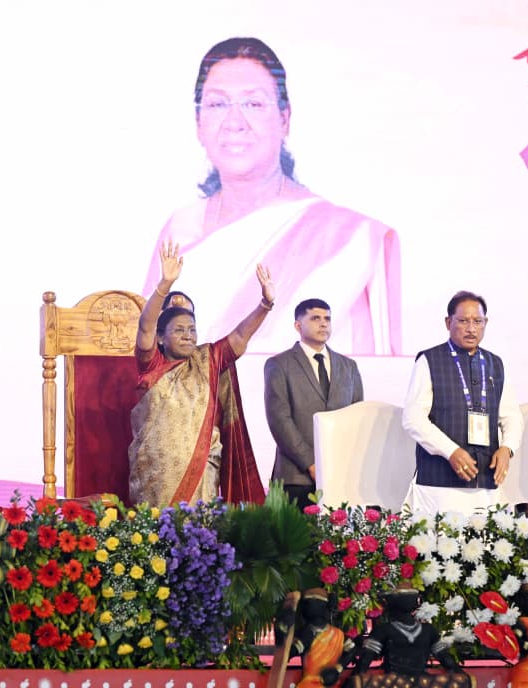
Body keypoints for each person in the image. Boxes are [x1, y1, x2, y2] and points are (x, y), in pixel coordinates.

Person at [144, 37, 401, 356]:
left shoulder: (350, 239)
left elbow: (375, 367)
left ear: (284, 118)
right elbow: (147, 345)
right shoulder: (181, 229)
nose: (234, 123)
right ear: (199, 123)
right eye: (217, 104)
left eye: (253, 104)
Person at [128, 241, 267, 506]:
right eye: (179, 330)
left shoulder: (208, 360)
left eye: (192, 330)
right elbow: (145, 326)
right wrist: (164, 285)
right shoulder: (151, 365)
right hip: (155, 476)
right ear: (161, 337)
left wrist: (265, 304)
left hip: (201, 471)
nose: (188, 336)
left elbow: (240, 336)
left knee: (199, 530)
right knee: (158, 530)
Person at [402, 291, 523, 515]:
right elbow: (413, 418)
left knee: (487, 537)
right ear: (448, 323)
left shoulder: (495, 363)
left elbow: (511, 416)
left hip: (486, 481)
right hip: (439, 483)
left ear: (485, 323)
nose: (471, 328)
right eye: (463, 321)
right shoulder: (429, 360)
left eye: (477, 321)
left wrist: (508, 448)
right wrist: (451, 452)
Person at [264, 298, 364, 509]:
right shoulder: (279, 364)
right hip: (295, 477)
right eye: (315, 318)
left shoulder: (349, 366)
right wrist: (310, 463)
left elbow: (357, 418)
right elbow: (279, 419)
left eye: (327, 318)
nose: (323, 323)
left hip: (340, 476)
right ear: (298, 325)